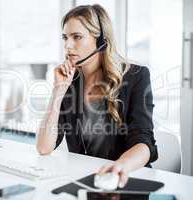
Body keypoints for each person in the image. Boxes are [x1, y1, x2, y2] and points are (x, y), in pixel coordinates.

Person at [36, 4, 158, 188]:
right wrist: (58, 91)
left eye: (77, 37)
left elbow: (144, 142)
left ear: (101, 40)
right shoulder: (70, 81)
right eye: (65, 38)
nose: (68, 46)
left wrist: (119, 166)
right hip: (85, 182)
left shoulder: (136, 77)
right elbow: (44, 148)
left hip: (124, 180)